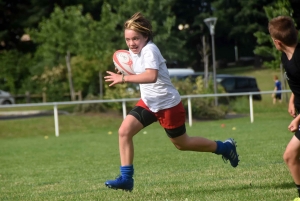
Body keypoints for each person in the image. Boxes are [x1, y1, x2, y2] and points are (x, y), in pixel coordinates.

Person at [104, 12, 239, 192]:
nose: (131, 43)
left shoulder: (150, 50)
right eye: (128, 39)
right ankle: (126, 179)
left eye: (135, 38)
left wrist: (124, 79)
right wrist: (125, 70)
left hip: (168, 105)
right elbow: (136, 68)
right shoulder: (133, 52)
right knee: (124, 131)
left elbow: (151, 76)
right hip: (148, 103)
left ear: (146, 36)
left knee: (182, 144)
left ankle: (224, 147)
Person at [268, 16, 300, 200]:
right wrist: (292, 99)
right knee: (291, 156)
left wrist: (298, 119)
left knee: (290, 156)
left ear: (278, 42)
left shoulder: (299, 60)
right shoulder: (286, 55)